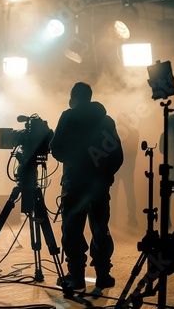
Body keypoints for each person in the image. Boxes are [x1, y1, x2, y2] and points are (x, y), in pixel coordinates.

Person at [50, 82, 123, 290]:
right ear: (90, 97)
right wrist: (105, 175)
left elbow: (55, 149)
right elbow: (117, 154)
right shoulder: (106, 120)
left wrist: (74, 163)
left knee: (72, 229)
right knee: (100, 228)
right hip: (99, 185)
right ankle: (103, 274)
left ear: (73, 98)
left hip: (74, 184)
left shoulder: (68, 116)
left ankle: (76, 275)